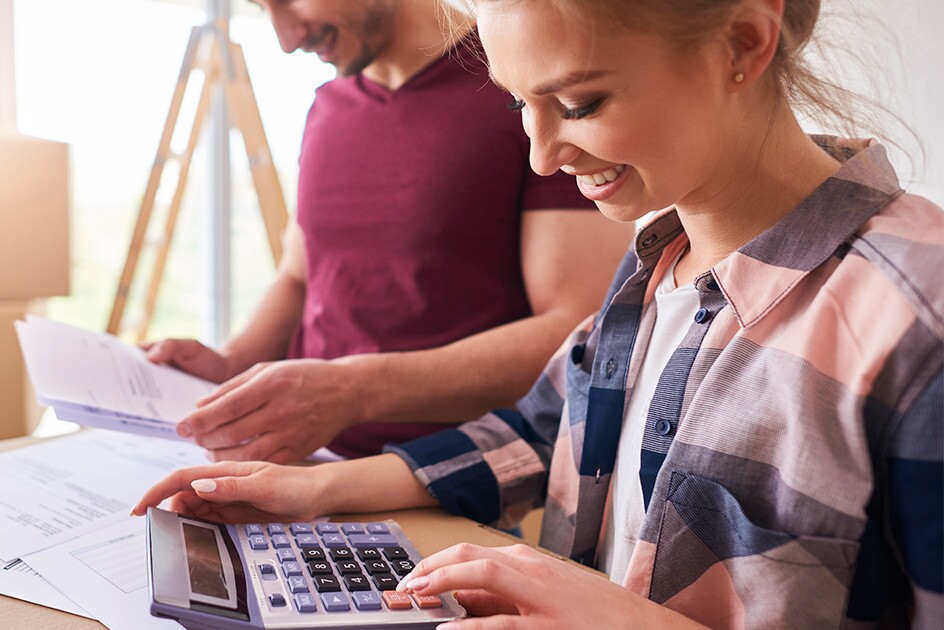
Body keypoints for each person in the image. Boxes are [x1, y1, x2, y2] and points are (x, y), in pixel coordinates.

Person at [134, 0, 944, 627]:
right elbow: (543, 432)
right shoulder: (657, 260)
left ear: (742, 42)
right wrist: (319, 490)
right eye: (520, 103)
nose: (541, 154)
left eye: (581, 103)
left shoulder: (917, 326)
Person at [143, 0, 633, 463]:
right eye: (262, 8)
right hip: (299, 460)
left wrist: (354, 390)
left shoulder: (527, 90)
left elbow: (575, 329)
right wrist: (232, 364)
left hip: (445, 480)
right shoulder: (326, 108)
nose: (286, 39)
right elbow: (300, 277)